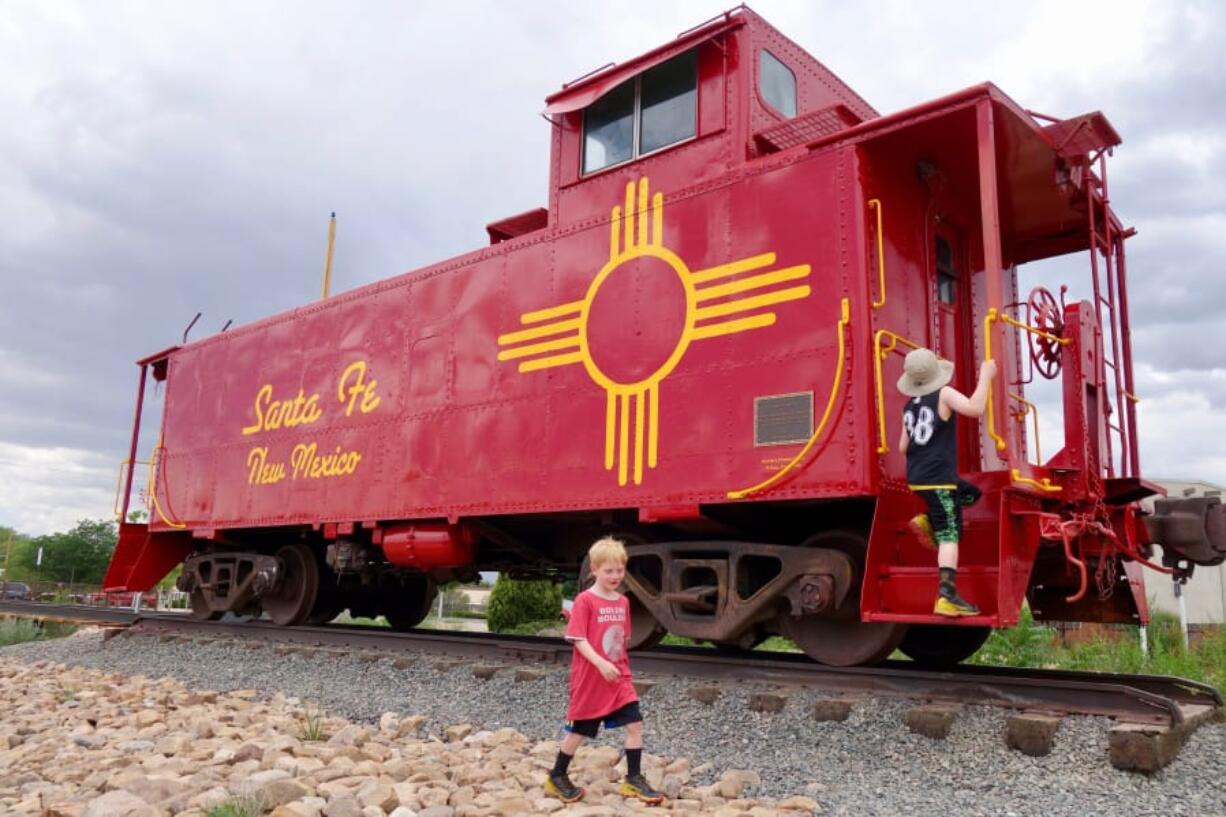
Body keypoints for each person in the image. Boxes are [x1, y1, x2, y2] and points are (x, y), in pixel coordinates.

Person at [545, 536, 665, 805]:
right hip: (591, 678)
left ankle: (633, 779)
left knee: (635, 724)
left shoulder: (622, 602)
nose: (615, 576)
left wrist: (621, 670)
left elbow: (621, 641)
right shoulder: (585, 601)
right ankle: (557, 775)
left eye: (619, 570)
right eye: (608, 571)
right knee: (580, 731)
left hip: (618, 677)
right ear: (595, 570)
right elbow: (577, 638)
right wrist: (600, 663)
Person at [897, 348, 997, 617]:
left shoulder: (909, 405)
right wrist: (986, 376)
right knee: (950, 535)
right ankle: (947, 596)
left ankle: (928, 520)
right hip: (938, 479)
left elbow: (902, 447)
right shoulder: (944, 393)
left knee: (971, 493)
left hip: (918, 477)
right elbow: (975, 409)